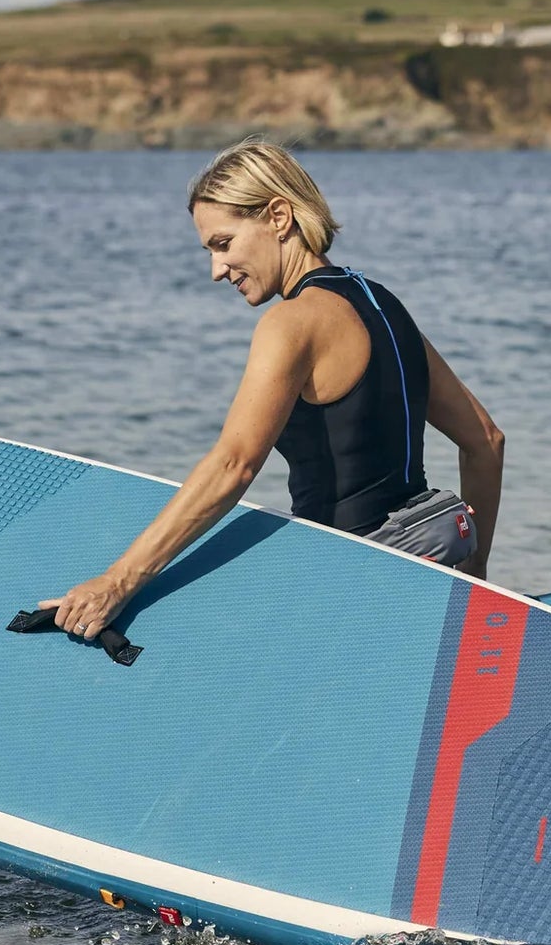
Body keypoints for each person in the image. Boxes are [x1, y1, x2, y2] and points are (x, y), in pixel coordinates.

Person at [41, 138, 504, 643]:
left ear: (278, 217)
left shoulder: (292, 323)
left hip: (349, 577)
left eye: (224, 244)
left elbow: (233, 465)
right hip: (425, 558)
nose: (216, 270)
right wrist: (476, 574)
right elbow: (485, 441)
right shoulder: (383, 303)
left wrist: (117, 581)